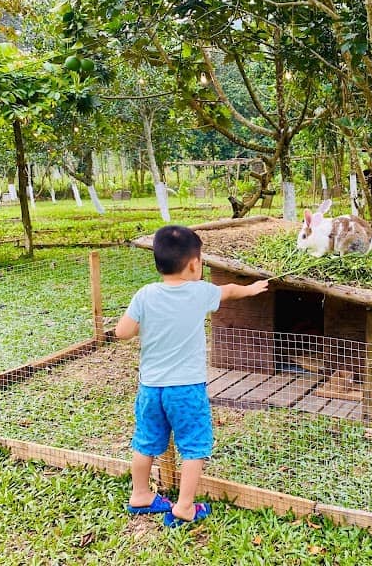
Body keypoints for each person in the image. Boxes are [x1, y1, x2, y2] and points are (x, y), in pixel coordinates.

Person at [115, 225, 268, 527]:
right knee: (194, 446)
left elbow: (122, 332)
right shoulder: (200, 293)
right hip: (186, 389)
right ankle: (184, 507)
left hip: (151, 387)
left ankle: (141, 495)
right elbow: (228, 291)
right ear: (195, 264)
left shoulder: (145, 295)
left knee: (145, 442)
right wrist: (251, 289)